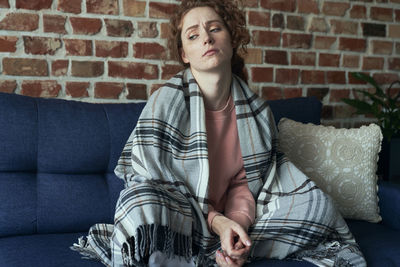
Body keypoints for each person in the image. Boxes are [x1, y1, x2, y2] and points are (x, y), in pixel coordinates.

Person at [72, 1, 366, 266]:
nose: (207, 38)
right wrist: (218, 223)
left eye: (214, 29)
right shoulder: (164, 102)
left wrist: (236, 227)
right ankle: (200, 250)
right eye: (193, 35)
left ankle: (234, 250)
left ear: (231, 39)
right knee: (140, 203)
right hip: (181, 217)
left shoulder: (258, 112)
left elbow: (246, 184)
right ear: (184, 54)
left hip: (234, 218)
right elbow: (153, 180)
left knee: (314, 203)